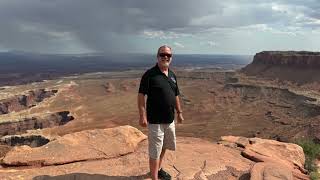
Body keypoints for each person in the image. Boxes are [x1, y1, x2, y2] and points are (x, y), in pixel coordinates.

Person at [138, 45, 184, 180]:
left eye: (168, 55)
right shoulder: (150, 75)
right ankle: (154, 178)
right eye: (162, 54)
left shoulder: (172, 75)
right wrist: (142, 115)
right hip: (155, 121)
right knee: (155, 152)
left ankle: (158, 170)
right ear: (157, 56)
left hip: (169, 120)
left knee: (164, 147)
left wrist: (179, 112)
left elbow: (175, 95)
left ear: (171, 58)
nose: (165, 57)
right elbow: (141, 95)